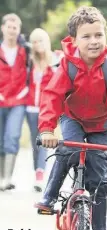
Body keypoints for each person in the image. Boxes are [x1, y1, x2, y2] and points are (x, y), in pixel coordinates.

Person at [35, 6, 107, 230]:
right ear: (73, 40)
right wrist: (47, 130)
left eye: (98, 35)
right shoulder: (68, 65)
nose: (94, 41)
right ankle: (49, 196)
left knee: (99, 179)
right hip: (73, 119)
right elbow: (51, 97)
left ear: (105, 36)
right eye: (87, 36)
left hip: (102, 126)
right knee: (67, 150)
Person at [26, 28, 62, 192]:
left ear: (46, 42)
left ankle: (40, 176)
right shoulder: (29, 61)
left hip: (47, 109)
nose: (37, 44)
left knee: (43, 138)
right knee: (36, 141)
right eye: (34, 41)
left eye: (40, 40)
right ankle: (38, 172)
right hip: (31, 108)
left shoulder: (56, 59)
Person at [0, 13, 28, 190]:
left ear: (19, 31)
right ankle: (1, 177)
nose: (11, 31)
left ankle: (7, 179)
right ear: (3, 28)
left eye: (15, 28)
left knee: (12, 136)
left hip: (18, 100)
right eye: (8, 27)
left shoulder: (26, 51)